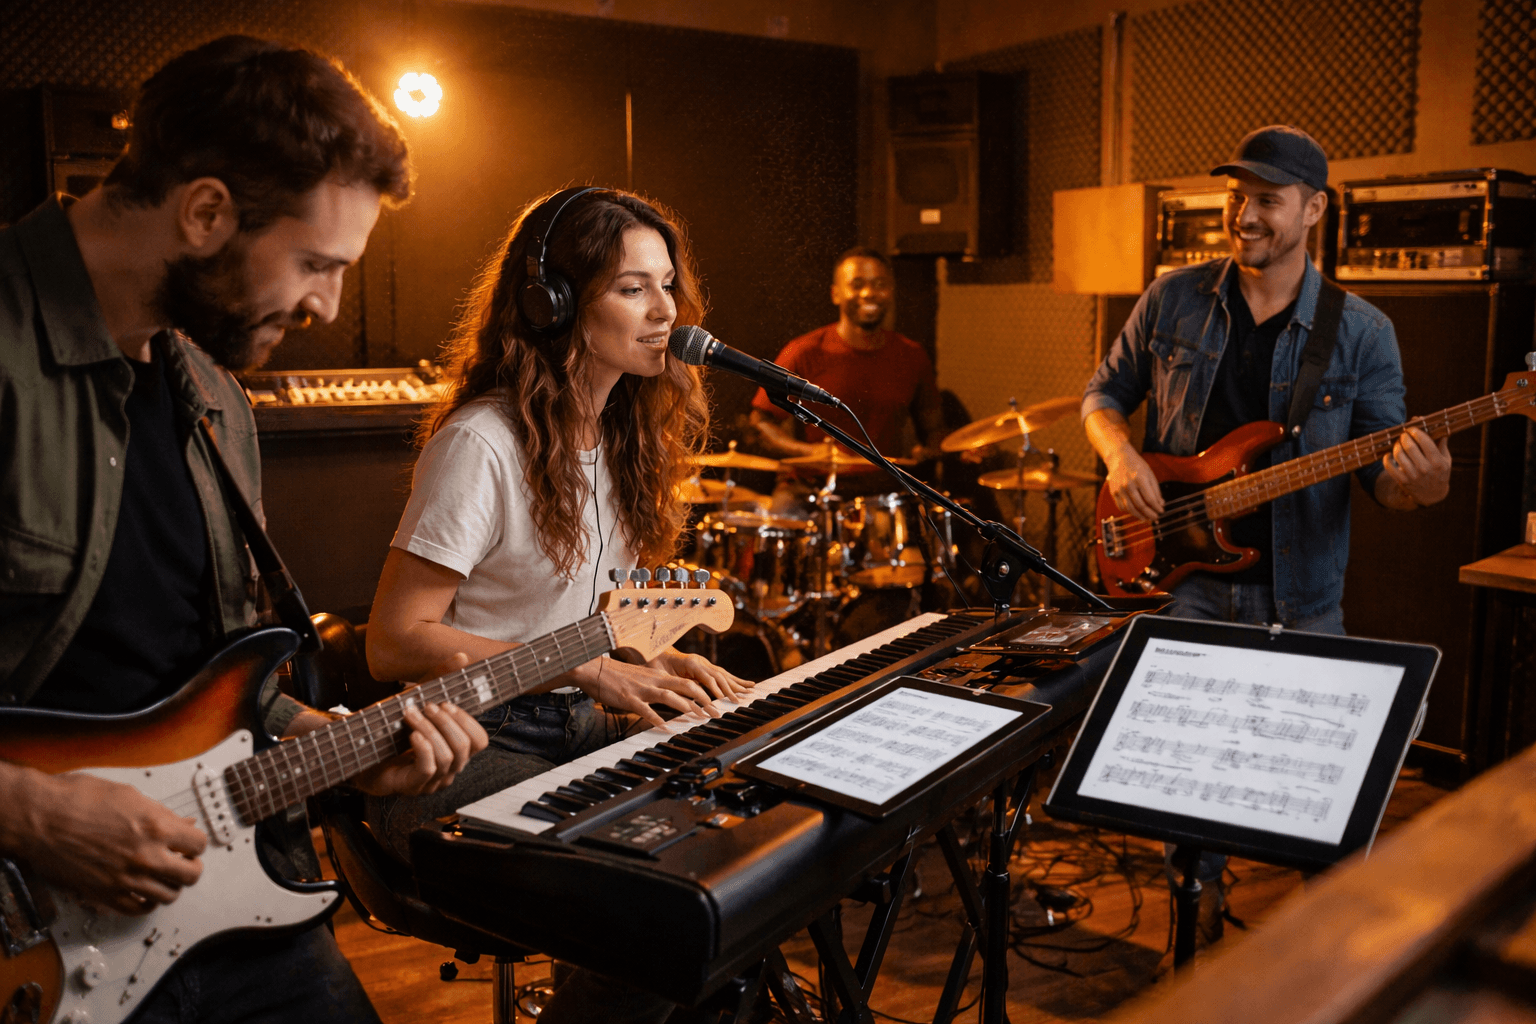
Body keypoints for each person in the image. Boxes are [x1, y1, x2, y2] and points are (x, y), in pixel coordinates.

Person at [0, 36, 489, 1023]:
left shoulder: (215, 398)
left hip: (224, 909)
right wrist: (29, 811)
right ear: (207, 211)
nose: (328, 303)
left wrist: (337, 746)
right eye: (315, 262)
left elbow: (214, 679)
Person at [365, 187, 753, 1024]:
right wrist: (583, 666)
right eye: (631, 287)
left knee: (744, 858)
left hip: (575, 727)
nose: (665, 311)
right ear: (553, 303)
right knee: (653, 923)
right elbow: (394, 643)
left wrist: (651, 657)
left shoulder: (624, 441)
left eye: (668, 285)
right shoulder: (483, 443)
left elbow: (594, 617)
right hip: (463, 744)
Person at [1082, 125, 1452, 635]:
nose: (1244, 217)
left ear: (1314, 209)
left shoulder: (1364, 332)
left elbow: (1383, 483)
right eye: (1235, 198)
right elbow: (1103, 393)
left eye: (1268, 201)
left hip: (1302, 606)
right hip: (1175, 593)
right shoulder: (1171, 297)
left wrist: (1424, 488)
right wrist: (1119, 458)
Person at [749, 246, 945, 476]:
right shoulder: (803, 351)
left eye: (879, 284)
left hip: (883, 491)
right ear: (836, 294)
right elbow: (760, 422)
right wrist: (811, 452)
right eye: (857, 284)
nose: (869, 293)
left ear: (891, 292)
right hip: (811, 490)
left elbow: (934, 431)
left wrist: (952, 448)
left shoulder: (912, 355)